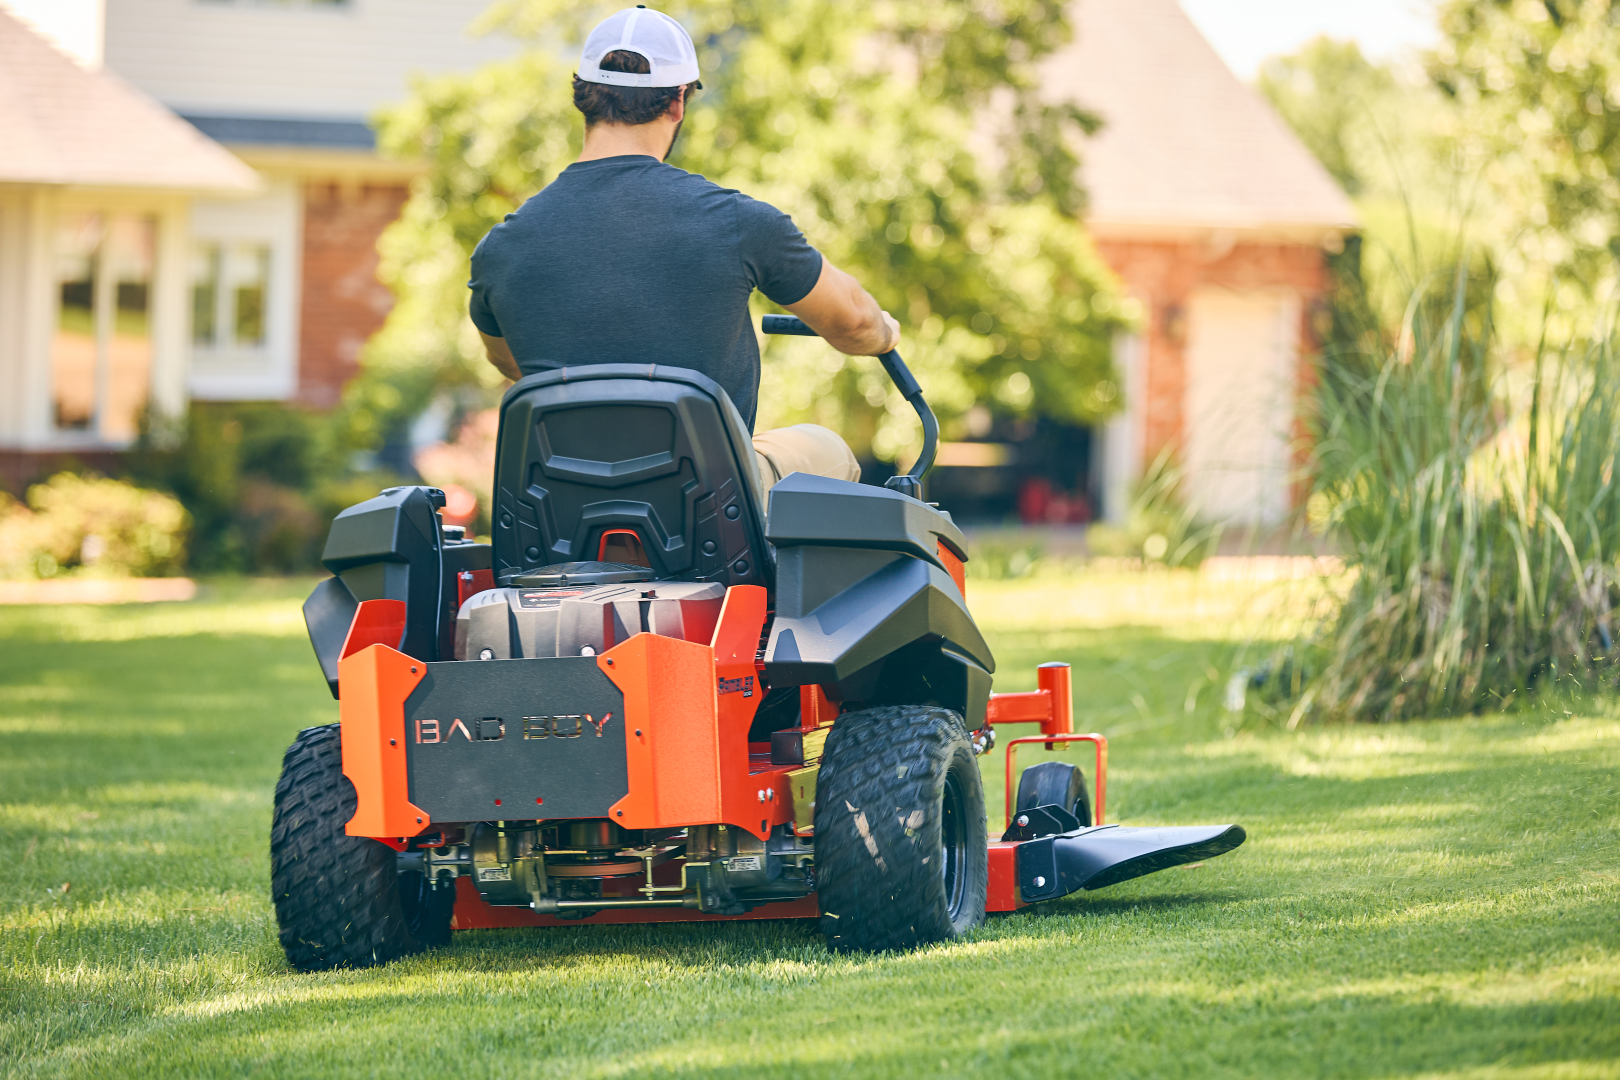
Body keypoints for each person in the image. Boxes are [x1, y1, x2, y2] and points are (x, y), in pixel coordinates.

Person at [467, 5, 899, 494]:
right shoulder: (737, 222)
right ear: (678, 101)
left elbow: (509, 363)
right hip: (708, 505)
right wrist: (886, 332)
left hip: (561, 504)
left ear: (582, 97)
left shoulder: (498, 250)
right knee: (829, 449)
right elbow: (854, 322)